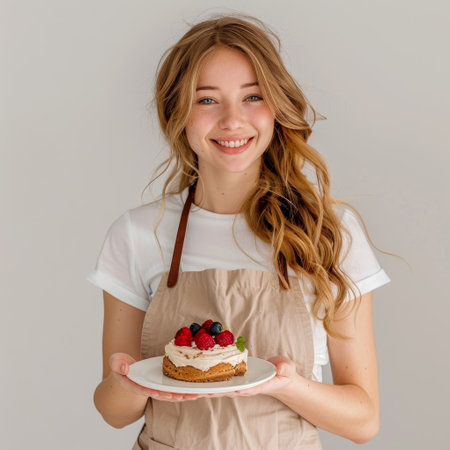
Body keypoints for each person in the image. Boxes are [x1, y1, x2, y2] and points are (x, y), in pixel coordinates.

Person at [87, 13, 391, 449]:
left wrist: (283, 384)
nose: (233, 120)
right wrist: (127, 383)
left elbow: (363, 420)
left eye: (252, 97)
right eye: (207, 100)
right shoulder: (136, 235)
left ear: (277, 107)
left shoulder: (329, 233)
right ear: (178, 112)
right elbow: (113, 413)